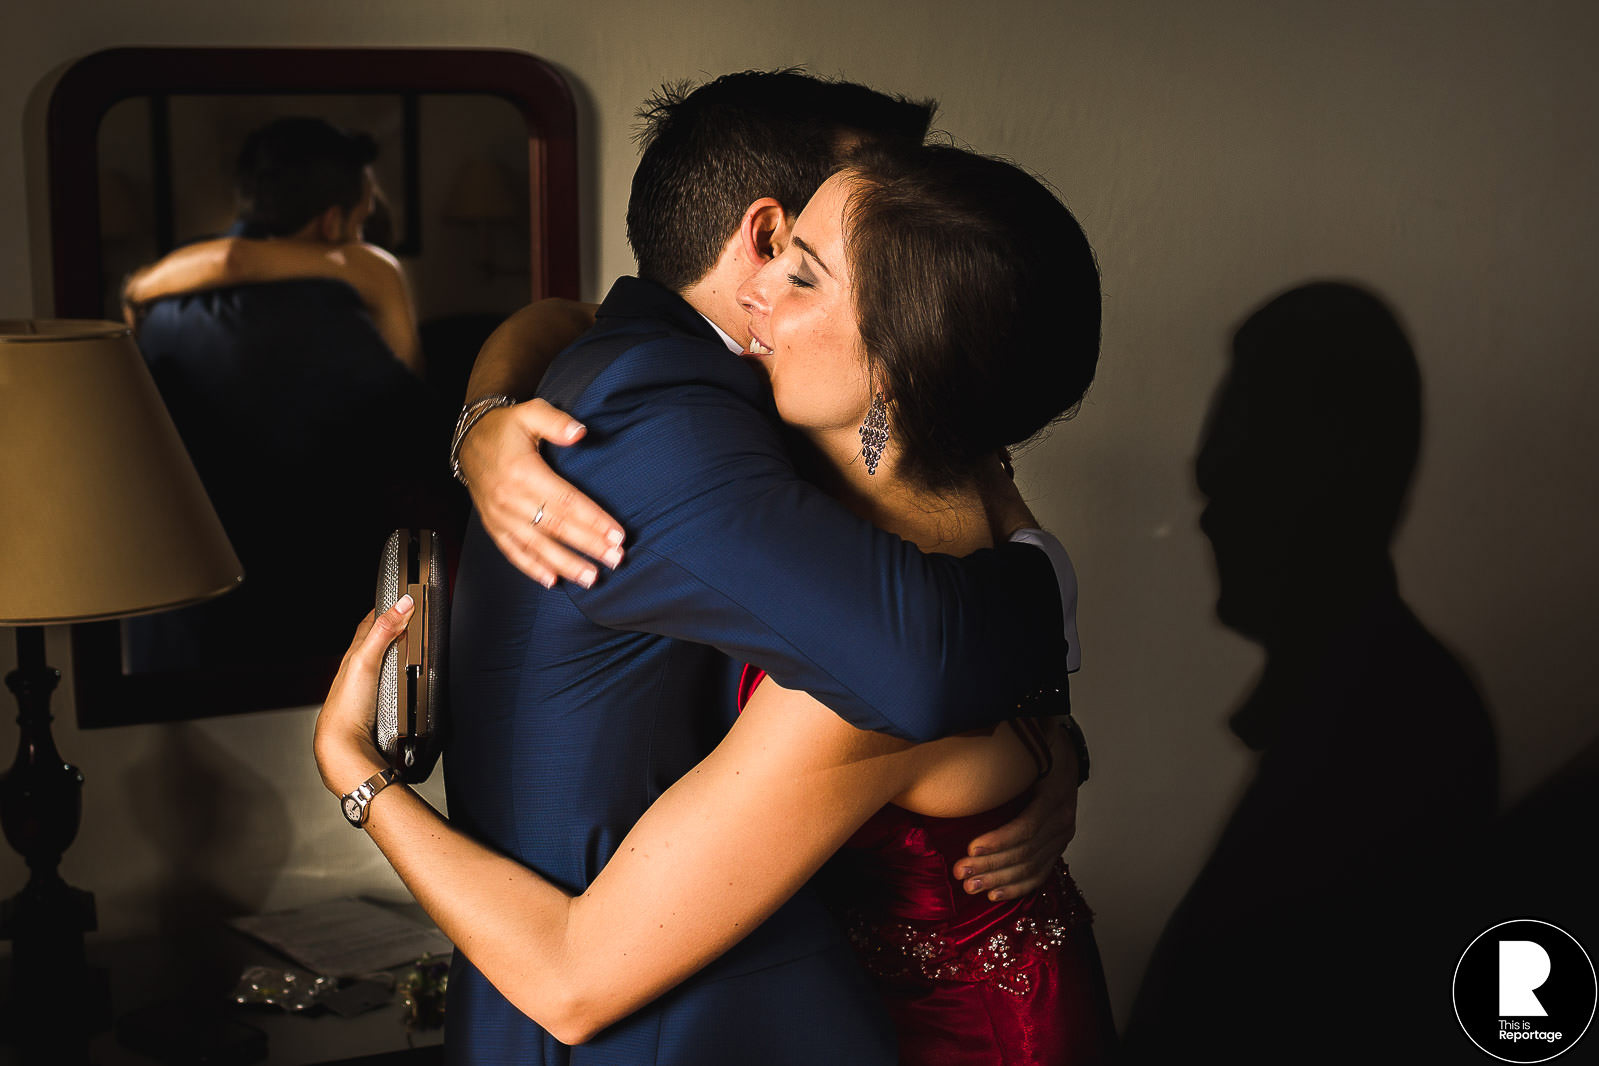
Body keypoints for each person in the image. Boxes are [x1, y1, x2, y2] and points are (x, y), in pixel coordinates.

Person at [315, 138, 1112, 1064]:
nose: (755, 290)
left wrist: (355, 775)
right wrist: (483, 425)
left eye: (802, 277)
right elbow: (566, 315)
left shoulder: (854, 685)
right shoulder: (954, 487)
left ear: (898, 363)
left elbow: (568, 979)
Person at [121, 116, 433, 673]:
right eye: (361, 223)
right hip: (292, 627)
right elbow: (417, 451)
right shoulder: (333, 323)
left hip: (165, 623)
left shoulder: (165, 293)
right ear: (334, 221)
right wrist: (385, 288)